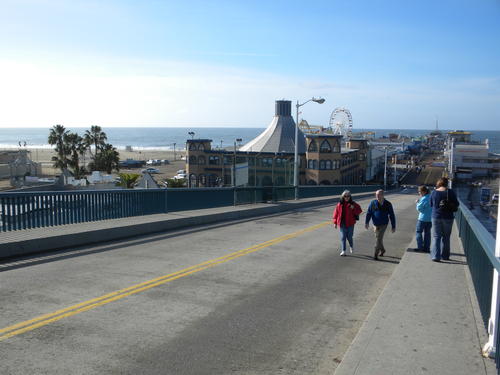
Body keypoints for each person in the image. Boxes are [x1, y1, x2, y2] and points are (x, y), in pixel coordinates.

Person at [430, 177, 459, 262]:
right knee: (446, 237)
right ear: (446, 183)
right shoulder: (450, 192)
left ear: (438, 183)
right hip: (448, 217)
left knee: (436, 237)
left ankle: (435, 256)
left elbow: (431, 204)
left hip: (436, 216)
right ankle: (445, 256)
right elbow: (457, 204)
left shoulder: (434, 192)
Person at [365, 189, 396, 260]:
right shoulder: (373, 203)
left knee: (378, 239)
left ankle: (375, 254)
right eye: (376, 195)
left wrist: (393, 226)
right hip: (375, 224)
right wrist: (367, 222)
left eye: (378, 195)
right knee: (378, 238)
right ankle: (382, 250)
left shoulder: (388, 204)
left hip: (383, 224)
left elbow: (392, 215)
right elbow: (369, 213)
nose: (377, 196)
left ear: (383, 195)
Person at [332, 190, 362, 256]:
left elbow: (359, 211)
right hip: (342, 223)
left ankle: (351, 246)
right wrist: (335, 222)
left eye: (348, 196)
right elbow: (335, 213)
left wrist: (353, 208)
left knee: (349, 237)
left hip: (350, 223)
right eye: (345, 196)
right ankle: (343, 250)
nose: (347, 197)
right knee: (343, 237)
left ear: (350, 196)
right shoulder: (339, 204)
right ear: (343, 197)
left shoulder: (353, 203)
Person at [415, 185, 432, 252]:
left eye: (420, 191)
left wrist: (417, 203)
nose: (419, 193)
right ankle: (426, 248)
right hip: (430, 219)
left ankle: (420, 247)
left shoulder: (424, 198)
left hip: (422, 218)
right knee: (427, 234)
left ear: (424, 192)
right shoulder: (430, 197)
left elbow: (419, 208)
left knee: (418, 232)